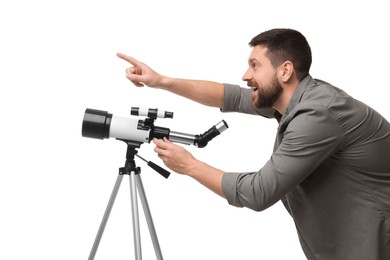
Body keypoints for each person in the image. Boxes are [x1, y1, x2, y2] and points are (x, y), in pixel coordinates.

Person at [117, 28, 390, 260]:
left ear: (285, 71)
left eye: (255, 65)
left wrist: (190, 166)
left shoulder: (317, 114)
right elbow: (232, 97)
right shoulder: (299, 99)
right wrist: (161, 81)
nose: (246, 76)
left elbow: (258, 192)